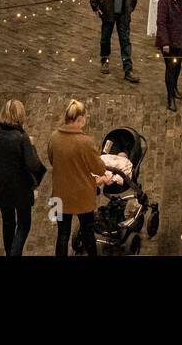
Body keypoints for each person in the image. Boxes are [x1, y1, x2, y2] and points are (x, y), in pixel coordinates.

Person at [0, 99, 45, 256]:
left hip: (2, 189)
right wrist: (32, 146)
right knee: (24, 225)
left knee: (8, 224)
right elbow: (33, 165)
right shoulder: (22, 138)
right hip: (21, 191)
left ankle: (10, 252)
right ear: (20, 116)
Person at [48, 100, 106, 256]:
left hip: (59, 195)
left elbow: (52, 159)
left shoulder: (54, 138)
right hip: (82, 196)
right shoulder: (85, 142)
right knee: (88, 233)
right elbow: (100, 169)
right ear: (79, 119)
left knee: (62, 235)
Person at [155, 0, 182, 113]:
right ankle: (170, 97)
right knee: (170, 69)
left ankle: (174, 87)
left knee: (176, 69)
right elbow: (161, 23)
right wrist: (165, 43)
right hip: (169, 42)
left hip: (180, 39)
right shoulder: (165, 1)